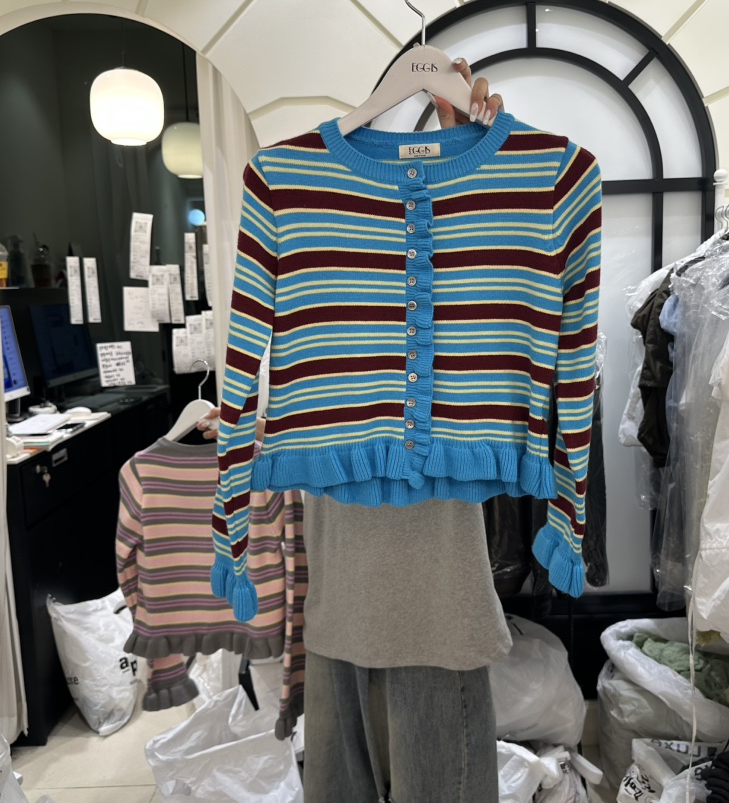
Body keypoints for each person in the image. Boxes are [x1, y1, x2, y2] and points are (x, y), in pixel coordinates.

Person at [201, 60, 508, 803]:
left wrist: (479, 164)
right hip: (340, 606)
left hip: (436, 609)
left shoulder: (483, 215)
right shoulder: (304, 204)